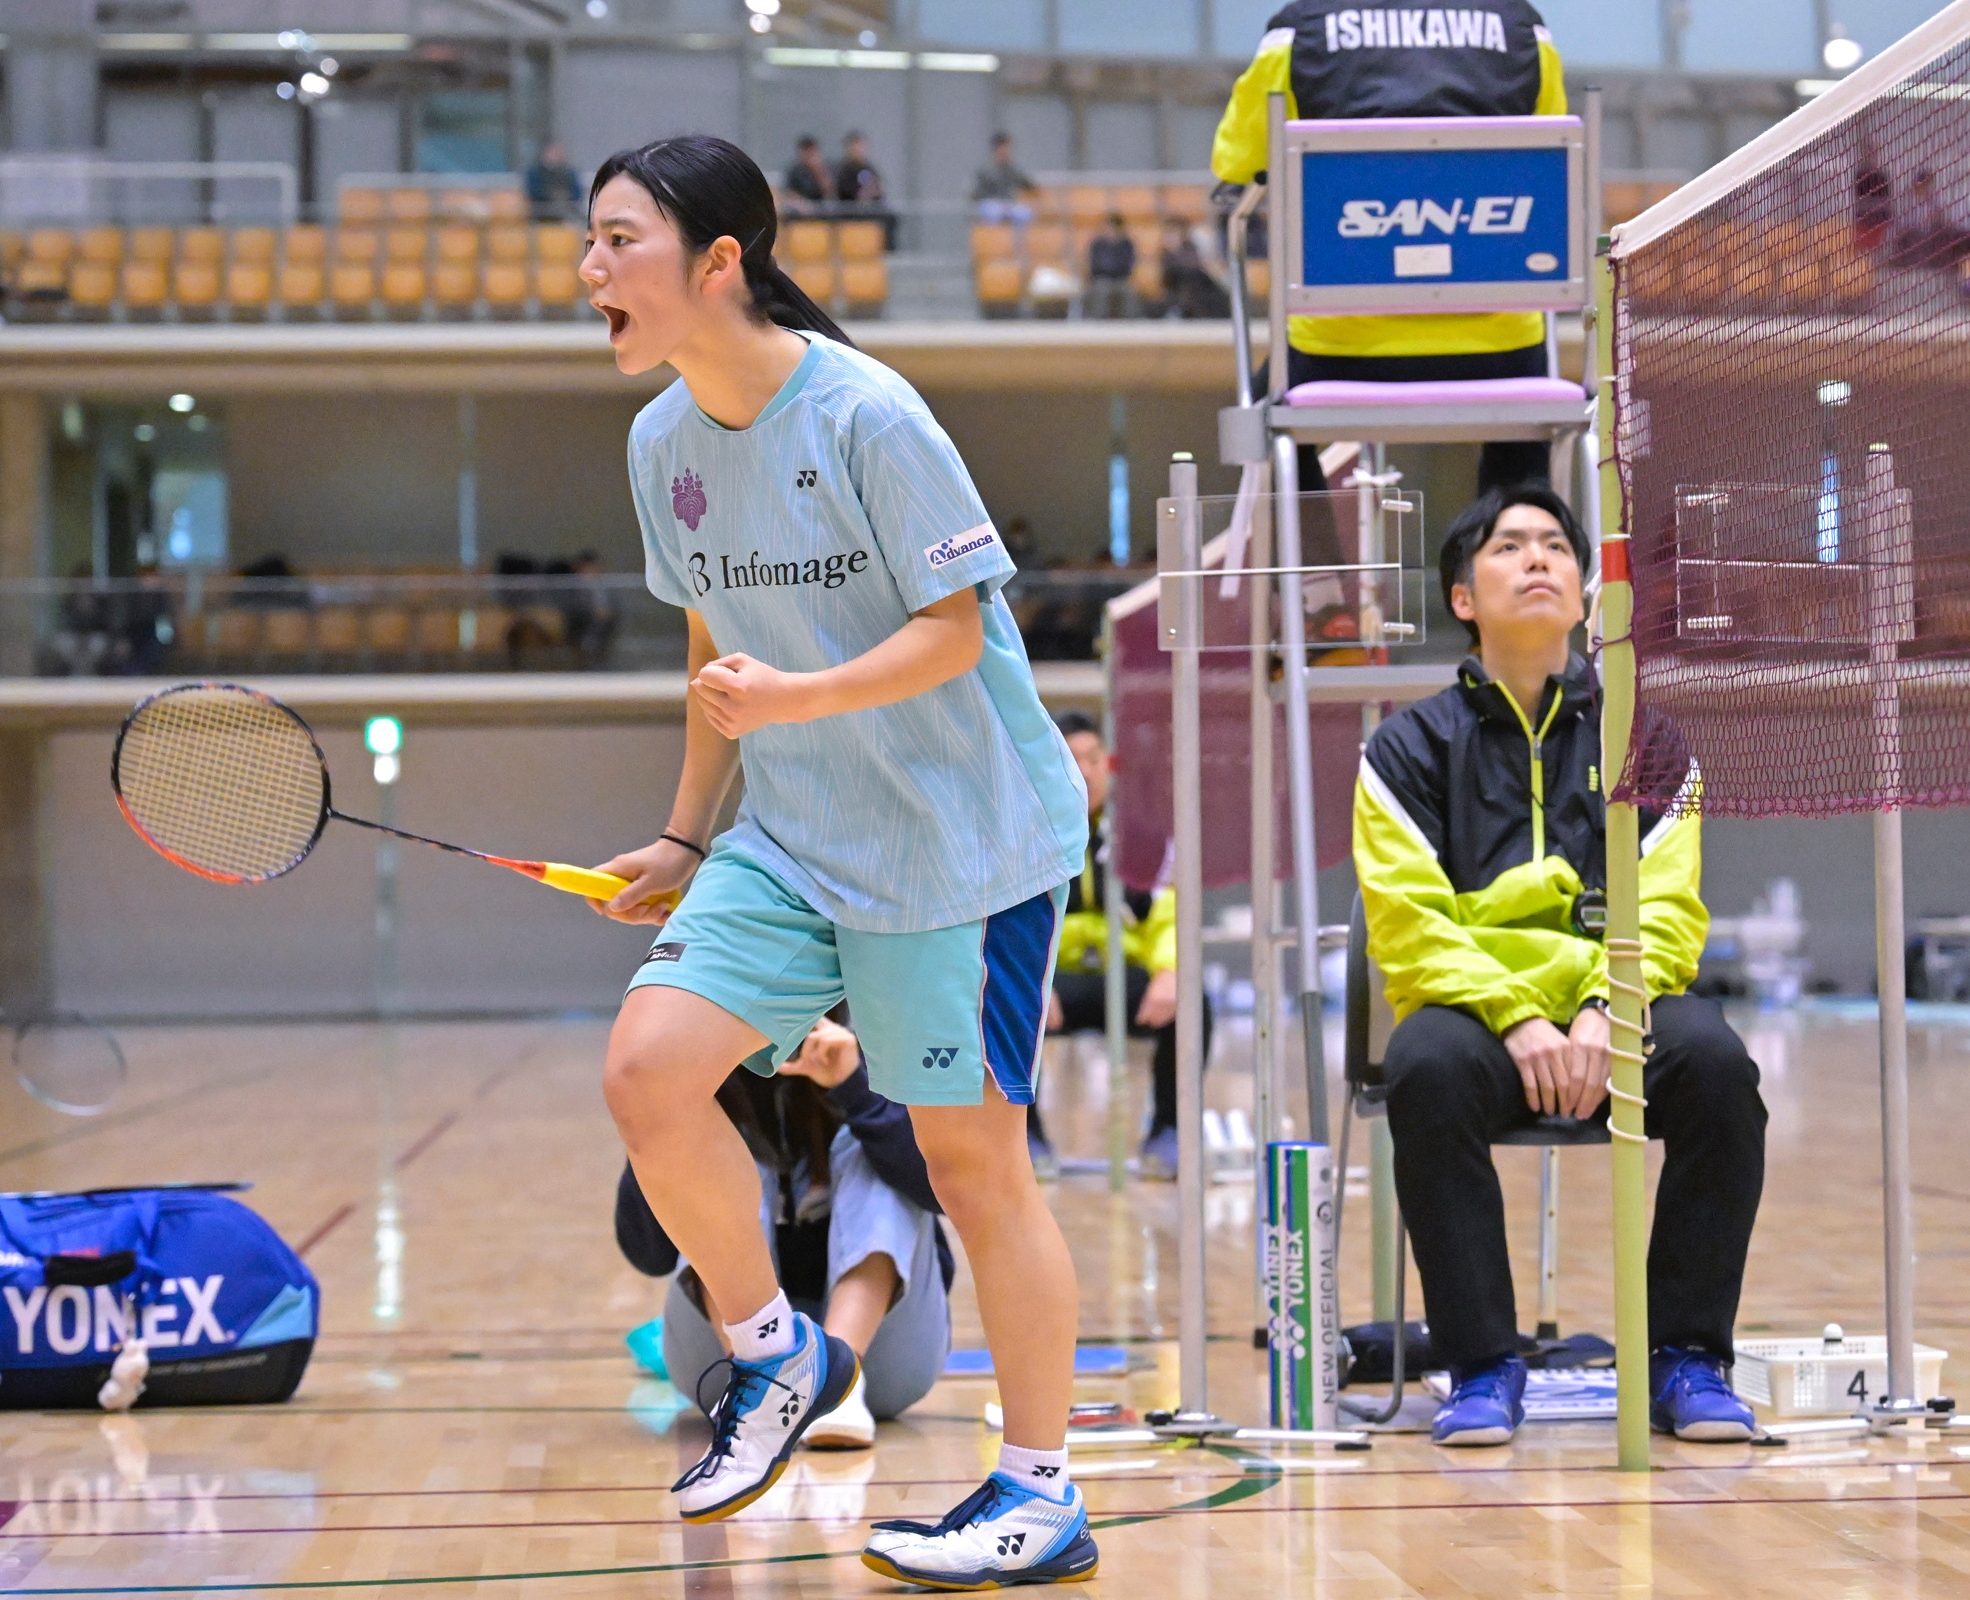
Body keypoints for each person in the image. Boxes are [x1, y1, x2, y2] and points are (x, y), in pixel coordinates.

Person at [577, 135, 1096, 1585]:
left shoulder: (869, 414)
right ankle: (773, 1353)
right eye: (589, 243)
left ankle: (1040, 1491)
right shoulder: (661, 443)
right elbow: (709, 649)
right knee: (648, 1070)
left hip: (960, 844)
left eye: (618, 240)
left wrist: (792, 699)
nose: (590, 270)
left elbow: (952, 633)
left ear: (717, 261)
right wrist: (686, 834)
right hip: (792, 834)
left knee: (970, 1166)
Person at [1353, 486, 1767, 1447]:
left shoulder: (1647, 741)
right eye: (1508, 546)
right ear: (1464, 598)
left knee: (1717, 1067)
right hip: (1480, 1022)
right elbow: (1409, 922)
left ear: (1585, 593)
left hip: (1613, 1013)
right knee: (1426, 1068)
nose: (1537, 558)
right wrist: (1517, 1016)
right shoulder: (1405, 748)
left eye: (1555, 546)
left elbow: (1668, 909)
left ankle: (1684, 1356)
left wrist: (1599, 1008)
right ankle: (1482, 1365)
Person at [1211, 0, 1570, 608]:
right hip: (1499, 346)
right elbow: (1549, 153)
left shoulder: (1298, 33)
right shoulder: (1521, 30)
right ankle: (1509, 609)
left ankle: (1320, 603)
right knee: (1523, 432)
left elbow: (1236, 162)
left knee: (1262, 411)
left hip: (1341, 349)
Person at [616, 1015, 955, 1448]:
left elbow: (943, 1196)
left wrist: (857, 1088)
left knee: (867, 1150)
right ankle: (757, 1377)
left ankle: (840, 1383)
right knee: (719, 1148)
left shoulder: (879, 1030)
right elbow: (650, 1255)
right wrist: (666, 1111)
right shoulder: (698, 1053)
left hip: (883, 1362)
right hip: (722, 1364)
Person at [1023, 711, 1204, 1181]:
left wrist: (1171, 971)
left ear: (1108, 764)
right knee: (1005, 1003)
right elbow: (1011, 923)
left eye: (1093, 759)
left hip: (1126, 978)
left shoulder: (1142, 838)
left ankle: (1169, 1131)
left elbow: (1168, 912)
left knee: (1193, 1002)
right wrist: (1030, 980)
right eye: (1072, 759)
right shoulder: (1026, 839)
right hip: (1055, 982)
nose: (1084, 772)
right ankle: (1023, 1136)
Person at [834, 131, 896, 249]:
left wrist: (875, 191)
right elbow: (845, 193)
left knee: (889, 218)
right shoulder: (844, 170)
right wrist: (863, 194)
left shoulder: (869, 167)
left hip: (869, 208)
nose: (859, 150)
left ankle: (886, 251)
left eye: (861, 146)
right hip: (850, 211)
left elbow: (878, 187)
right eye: (856, 146)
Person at [1159, 216, 1230, 319]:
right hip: (1179, 301)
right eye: (1168, 234)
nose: (1170, 238)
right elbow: (1167, 283)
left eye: (1174, 233)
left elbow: (1207, 273)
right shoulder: (1165, 257)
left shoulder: (1194, 251)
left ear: (1183, 234)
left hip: (1204, 298)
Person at [1890, 170, 1956, 268]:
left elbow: (1942, 218)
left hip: (1928, 232)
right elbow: (1903, 221)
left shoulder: (1932, 199)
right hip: (1910, 232)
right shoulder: (1907, 199)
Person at [971, 133, 1039, 226]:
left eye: (1008, 148)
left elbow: (1028, 185)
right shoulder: (985, 169)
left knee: (1023, 213)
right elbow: (974, 193)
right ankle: (993, 235)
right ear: (996, 149)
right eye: (1003, 148)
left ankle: (1019, 235)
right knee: (995, 212)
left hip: (1008, 203)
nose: (1006, 152)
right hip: (989, 203)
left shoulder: (1012, 169)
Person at [1083, 214, 1136, 320]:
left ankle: (1132, 320)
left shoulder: (1126, 244)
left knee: (1129, 291)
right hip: (1101, 278)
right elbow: (1094, 265)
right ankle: (1097, 320)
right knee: (1102, 289)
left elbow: (1128, 265)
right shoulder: (1098, 244)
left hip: (1121, 279)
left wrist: (1114, 270)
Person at [526, 140, 580, 222]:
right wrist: (550, 195)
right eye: (553, 152)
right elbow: (533, 191)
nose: (556, 155)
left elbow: (577, 192)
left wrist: (566, 197)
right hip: (541, 213)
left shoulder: (569, 173)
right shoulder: (535, 172)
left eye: (558, 152)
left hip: (567, 212)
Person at [783, 135, 832, 215]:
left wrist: (818, 172)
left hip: (821, 209)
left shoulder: (824, 168)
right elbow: (790, 193)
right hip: (801, 210)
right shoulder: (795, 171)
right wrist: (803, 205)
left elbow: (829, 193)